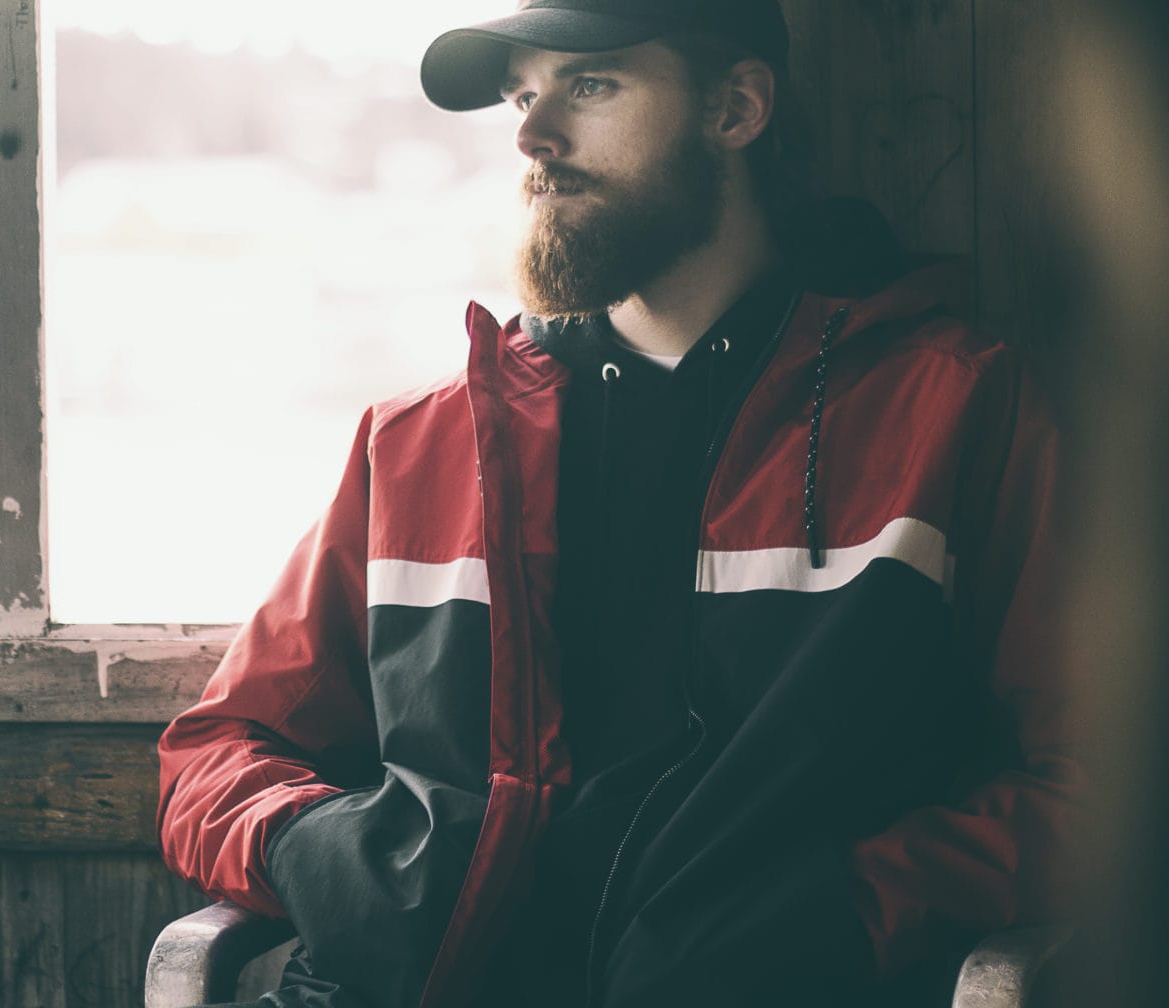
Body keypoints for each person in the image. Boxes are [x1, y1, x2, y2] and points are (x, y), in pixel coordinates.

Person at [157, 2, 1080, 1005]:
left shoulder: (950, 408)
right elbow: (214, 755)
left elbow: (1111, 784)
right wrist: (330, 856)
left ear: (735, 109)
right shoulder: (418, 444)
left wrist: (854, 903)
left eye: (589, 86)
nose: (532, 135)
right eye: (523, 95)